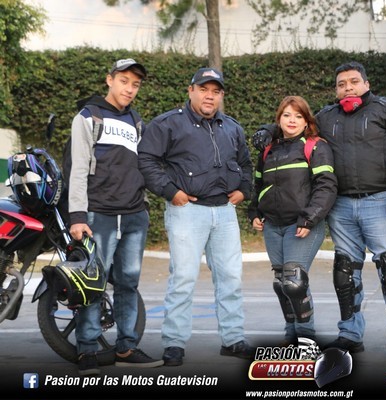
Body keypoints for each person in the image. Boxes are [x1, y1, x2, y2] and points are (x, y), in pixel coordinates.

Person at [253, 61, 386, 362]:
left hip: (380, 201)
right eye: (342, 84)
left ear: (366, 84)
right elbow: (296, 121)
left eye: (354, 82)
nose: (348, 88)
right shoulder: (326, 116)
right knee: (345, 272)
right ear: (336, 89)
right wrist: (267, 130)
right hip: (341, 205)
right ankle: (350, 334)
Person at [138, 67, 255, 366]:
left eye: (216, 91)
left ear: (221, 96)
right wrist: (170, 191)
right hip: (187, 211)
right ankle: (174, 343)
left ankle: (233, 339)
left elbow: (245, 163)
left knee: (230, 278)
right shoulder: (168, 124)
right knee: (183, 278)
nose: (209, 96)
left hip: (225, 213)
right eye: (204, 89)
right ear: (191, 90)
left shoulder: (232, 127)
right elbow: (146, 159)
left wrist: (244, 189)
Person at [68, 58, 163, 376]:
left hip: (134, 216)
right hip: (99, 216)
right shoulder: (88, 116)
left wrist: (145, 207)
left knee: (128, 284)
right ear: (109, 80)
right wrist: (78, 216)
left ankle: (126, 347)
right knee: (93, 285)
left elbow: (144, 166)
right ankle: (87, 350)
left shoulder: (137, 121)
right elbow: (78, 168)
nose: (130, 89)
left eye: (135, 84)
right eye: (124, 81)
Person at [248, 96, 337, 346]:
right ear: (279, 119)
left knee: (294, 281)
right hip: (272, 226)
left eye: (298, 116)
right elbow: (258, 184)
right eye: (287, 115)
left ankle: (306, 336)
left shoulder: (316, 147)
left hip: (301, 225)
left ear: (307, 121)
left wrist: (309, 219)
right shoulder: (268, 150)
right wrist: (254, 213)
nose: (292, 120)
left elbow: (326, 187)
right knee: (281, 284)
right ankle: (291, 334)